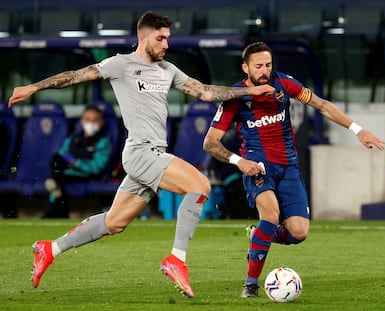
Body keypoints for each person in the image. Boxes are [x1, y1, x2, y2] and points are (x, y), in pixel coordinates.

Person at [8, 12, 274, 298]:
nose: (166, 45)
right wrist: (33, 87)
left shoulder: (168, 70)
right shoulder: (121, 64)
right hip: (140, 152)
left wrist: (250, 92)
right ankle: (176, 259)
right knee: (200, 185)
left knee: (114, 222)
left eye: (168, 39)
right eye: (160, 38)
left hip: (153, 153)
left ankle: (51, 248)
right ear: (143, 37)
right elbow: (75, 76)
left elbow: (206, 92)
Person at [202, 41, 385, 298]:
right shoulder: (235, 97)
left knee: (298, 233)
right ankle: (251, 284)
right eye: (258, 66)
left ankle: (258, 235)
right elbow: (210, 142)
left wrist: (358, 130)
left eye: (268, 64)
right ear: (245, 68)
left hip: (288, 168)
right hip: (258, 167)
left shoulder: (284, 84)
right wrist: (239, 162)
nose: (265, 70)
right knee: (271, 213)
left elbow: (321, 105)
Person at [43, 105, 112, 218]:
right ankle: (56, 205)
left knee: (56, 180)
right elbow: (62, 154)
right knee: (55, 160)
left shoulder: (103, 142)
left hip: (85, 174)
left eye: (95, 120)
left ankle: (50, 213)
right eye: (88, 119)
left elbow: (96, 168)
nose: (91, 123)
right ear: (82, 121)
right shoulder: (73, 138)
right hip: (67, 171)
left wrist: (76, 163)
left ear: (101, 122)